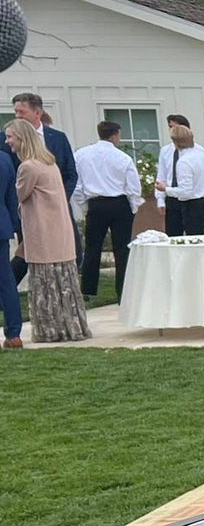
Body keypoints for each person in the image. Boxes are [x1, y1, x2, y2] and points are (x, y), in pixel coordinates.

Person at [5, 119, 89, 342]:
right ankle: (70, 327)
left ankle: (49, 329)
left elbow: (19, 195)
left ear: (23, 138)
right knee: (64, 283)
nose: (7, 141)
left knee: (46, 283)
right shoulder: (49, 163)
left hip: (42, 232)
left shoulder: (28, 167)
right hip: (59, 231)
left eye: (10, 136)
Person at [73, 121, 143, 298]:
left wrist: (84, 205)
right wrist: (133, 207)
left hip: (96, 204)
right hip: (120, 204)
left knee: (92, 247)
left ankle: (88, 289)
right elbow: (134, 187)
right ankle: (123, 290)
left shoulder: (81, 155)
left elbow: (77, 184)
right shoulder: (123, 158)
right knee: (122, 248)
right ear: (114, 136)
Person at [11, 92, 79, 266]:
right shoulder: (7, 140)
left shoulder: (57, 138)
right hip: (29, 208)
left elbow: (70, 172)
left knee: (66, 249)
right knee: (27, 252)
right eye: (16, 112)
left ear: (37, 113)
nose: (18, 116)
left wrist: (60, 197)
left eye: (22, 112)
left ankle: (67, 286)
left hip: (58, 206)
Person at [157, 123, 204, 236]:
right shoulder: (203, 156)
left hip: (191, 206)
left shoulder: (184, 161)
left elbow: (186, 191)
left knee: (191, 240)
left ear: (175, 142)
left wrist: (165, 189)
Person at [0, 145, 21, 347]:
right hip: (1, 225)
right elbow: (10, 197)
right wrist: (14, 224)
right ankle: (14, 335)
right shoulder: (5, 159)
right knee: (6, 282)